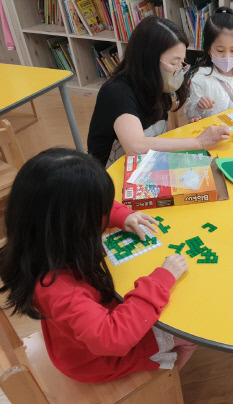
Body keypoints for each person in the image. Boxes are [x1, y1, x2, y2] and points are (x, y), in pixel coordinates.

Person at [0, 148, 197, 383]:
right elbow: (113, 338)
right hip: (97, 361)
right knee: (189, 335)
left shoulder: (38, 240)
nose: (104, 215)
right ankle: (168, 379)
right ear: (75, 224)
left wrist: (122, 215)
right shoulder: (60, 289)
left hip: (81, 339)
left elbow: (86, 202)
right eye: (100, 214)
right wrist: (161, 280)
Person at [87, 16, 229, 168]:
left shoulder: (156, 85)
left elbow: (158, 136)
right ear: (148, 60)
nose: (178, 70)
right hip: (110, 177)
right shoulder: (116, 92)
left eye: (181, 63)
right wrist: (198, 142)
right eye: (174, 63)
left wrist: (190, 134)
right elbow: (136, 146)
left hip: (146, 165)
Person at [183, 7, 233, 120]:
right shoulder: (200, 79)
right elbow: (189, 115)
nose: (227, 57)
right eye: (220, 51)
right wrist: (198, 106)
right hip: (210, 135)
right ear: (209, 49)